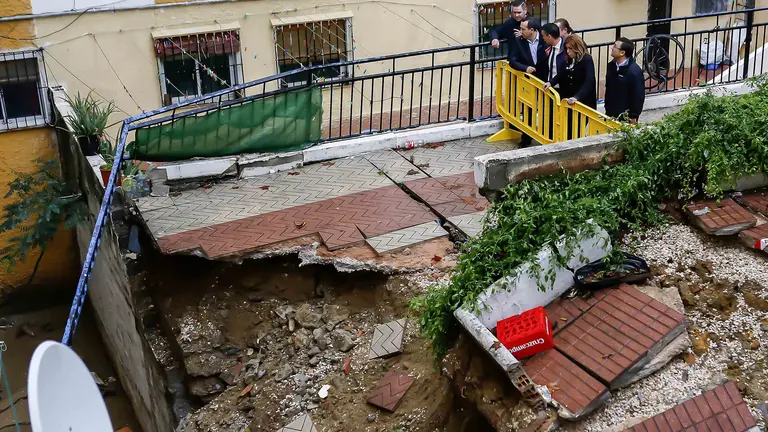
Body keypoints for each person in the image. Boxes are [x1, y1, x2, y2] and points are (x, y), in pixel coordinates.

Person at [544, 34, 596, 109]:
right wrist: (551, 82)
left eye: (570, 48)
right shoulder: (568, 59)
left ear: (577, 48)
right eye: (566, 48)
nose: (568, 51)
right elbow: (561, 74)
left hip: (582, 101)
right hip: (568, 99)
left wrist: (577, 97)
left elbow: (589, 80)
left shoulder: (586, 59)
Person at [605, 37, 645, 124]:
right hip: (610, 113)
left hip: (625, 116)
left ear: (622, 53)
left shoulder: (634, 71)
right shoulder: (611, 66)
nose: (612, 48)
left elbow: (638, 95)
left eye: (615, 46)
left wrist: (633, 115)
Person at [509, 16, 548, 82]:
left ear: (532, 30)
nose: (520, 32)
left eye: (523, 29)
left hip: (545, 79)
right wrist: (525, 68)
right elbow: (512, 61)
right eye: (520, 28)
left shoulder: (545, 39)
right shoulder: (518, 41)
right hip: (528, 80)